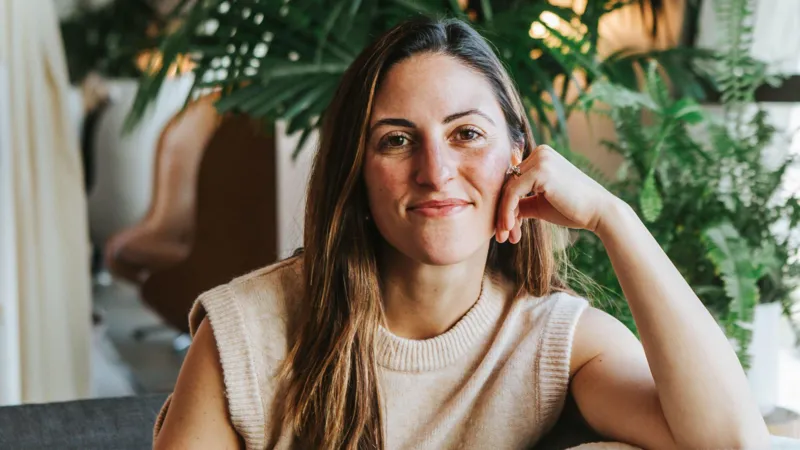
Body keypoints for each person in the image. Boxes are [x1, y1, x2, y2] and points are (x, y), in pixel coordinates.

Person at [152, 18, 768, 450]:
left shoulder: (553, 341)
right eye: (396, 140)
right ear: (356, 174)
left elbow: (732, 442)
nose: (435, 171)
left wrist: (615, 218)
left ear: (519, 156)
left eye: (466, 133)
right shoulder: (245, 332)